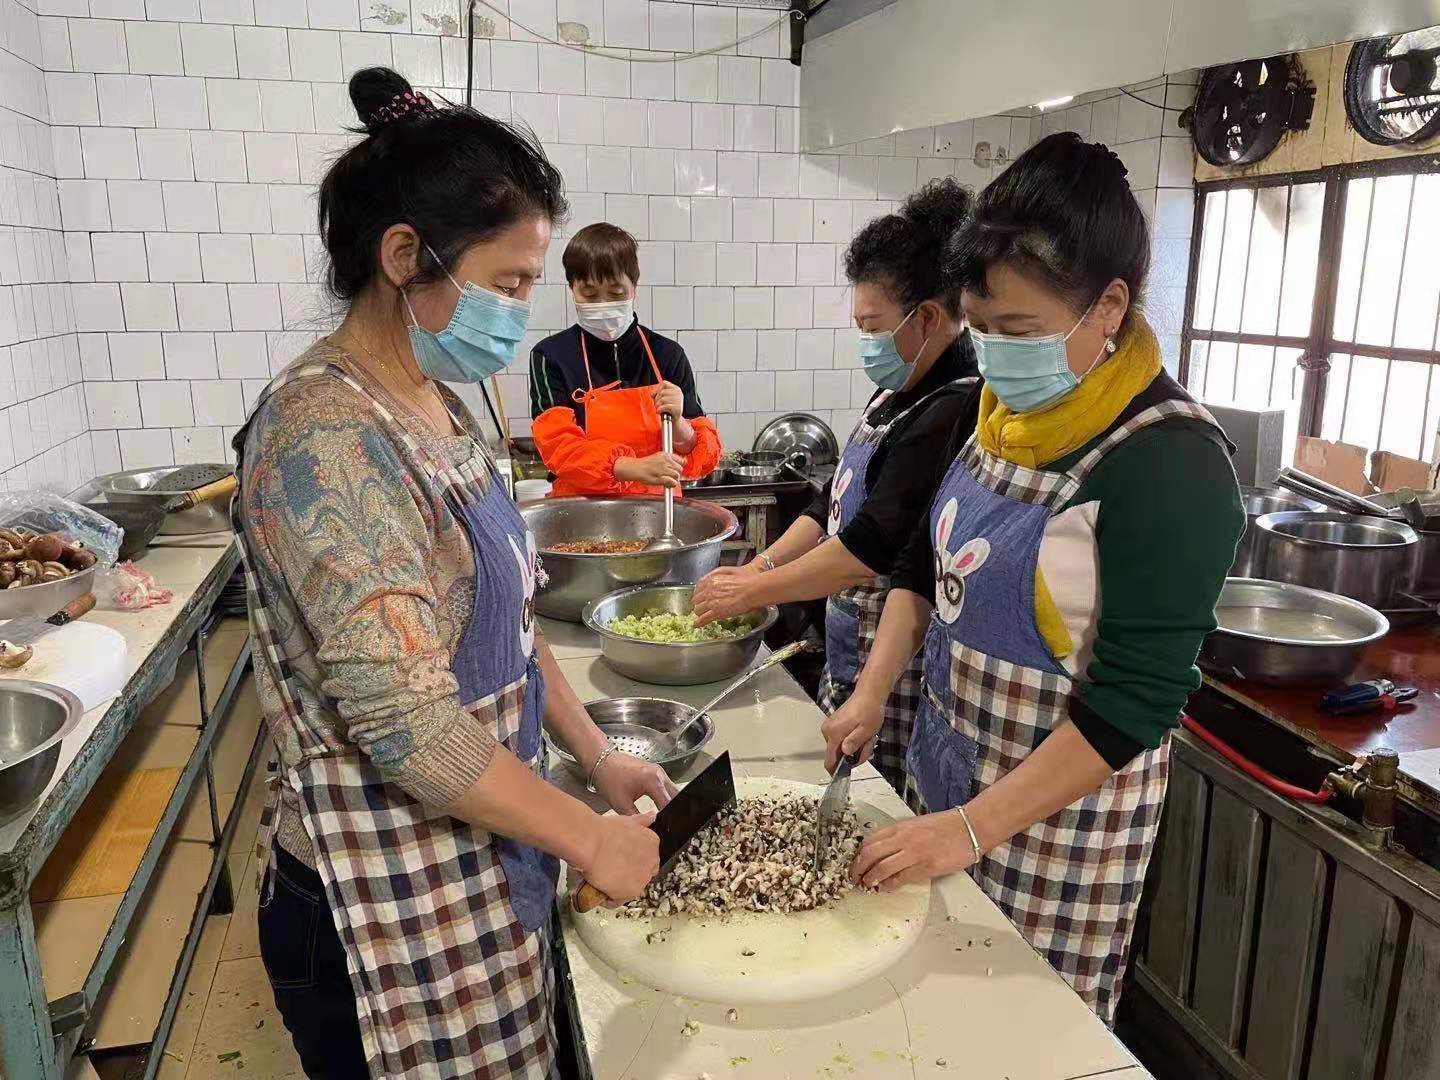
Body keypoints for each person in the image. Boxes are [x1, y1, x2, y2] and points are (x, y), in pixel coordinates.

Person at [231, 69, 674, 1079]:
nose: (520, 310)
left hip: (475, 858)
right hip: (376, 901)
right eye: (509, 283)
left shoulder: (442, 403)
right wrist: (588, 839)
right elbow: (407, 725)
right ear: (404, 258)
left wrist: (597, 756)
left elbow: (511, 626)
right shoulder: (325, 435)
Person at [821, 133, 1242, 1024]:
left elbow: (1133, 704)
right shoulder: (1000, 411)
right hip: (946, 787)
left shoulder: (1168, 462)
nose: (995, 355)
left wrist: (972, 828)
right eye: (981, 328)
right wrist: (871, 692)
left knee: (1015, 1038)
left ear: (1109, 306)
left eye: (1019, 332)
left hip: (1055, 845)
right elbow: (924, 563)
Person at [692, 180, 979, 796]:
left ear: (928, 318)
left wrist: (755, 588)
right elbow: (832, 506)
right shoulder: (898, 390)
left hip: (892, 671)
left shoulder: (953, 407)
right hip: (849, 646)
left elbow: (869, 548)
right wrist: (761, 566)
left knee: (875, 801)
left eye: (872, 326)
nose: (866, 342)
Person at [529, 223, 723, 495]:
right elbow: (557, 446)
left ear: (634, 287)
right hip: (580, 510)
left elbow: (701, 456)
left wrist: (680, 424)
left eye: (616, 293)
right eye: (589, 294)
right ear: (571, 289)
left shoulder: (667, 355)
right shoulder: (550, 356)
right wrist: (631, 467)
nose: (602, 304)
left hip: (659, 509)